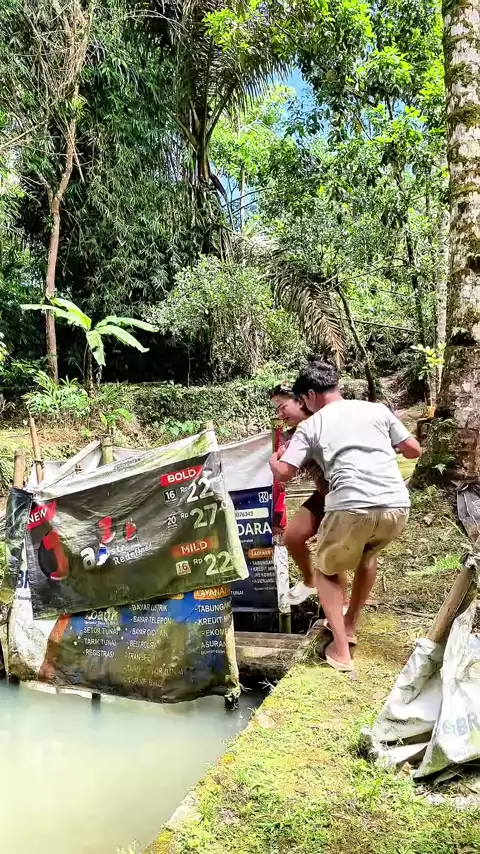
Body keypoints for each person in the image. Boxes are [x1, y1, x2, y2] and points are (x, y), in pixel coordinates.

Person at [269, 362, 421, 671]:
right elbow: (413, 451)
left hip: (348, 503)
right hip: (396, 504)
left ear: (308, 396)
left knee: (326, 568)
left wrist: (274, 460)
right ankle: (349, 623)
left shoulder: (312, 425)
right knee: (367, 554)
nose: (283, 412)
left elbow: (284, 473)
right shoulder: (377, 410)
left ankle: (341, 651)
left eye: (288, 404)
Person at [270, 384, 347, 608]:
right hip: (323, 494)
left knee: (332, 549)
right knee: (292, 536)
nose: (280, 414)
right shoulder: (289, 435)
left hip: (344, 493)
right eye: (276, 410)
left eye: (283, 407)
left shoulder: (323, 421)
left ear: (300, 401)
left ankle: (342, 604)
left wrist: (277, 461)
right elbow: (288, 470)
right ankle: (311, 580)